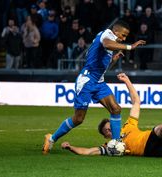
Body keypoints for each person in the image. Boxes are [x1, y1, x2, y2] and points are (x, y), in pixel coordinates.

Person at [42, 20, 146, 154]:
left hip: (98, 82)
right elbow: (107, 43)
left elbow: (103, 68)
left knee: (115, 108)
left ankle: (115, 143)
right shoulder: (106, 35)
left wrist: (113, 60)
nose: (124, 39)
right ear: (116, 31)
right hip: (87, 81)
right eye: (123, 35)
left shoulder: (110, 46)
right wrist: (130, 47)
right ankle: (51, 138)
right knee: (78, 119)